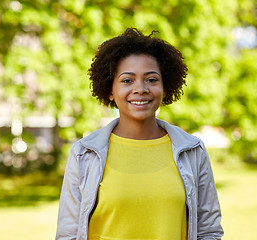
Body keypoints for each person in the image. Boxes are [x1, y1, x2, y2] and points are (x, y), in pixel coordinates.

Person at [56, 28, 223, 240]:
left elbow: (208, 231)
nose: (140, 88)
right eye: (127, 80)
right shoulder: (84, 153)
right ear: (110, 89)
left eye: (151, 79)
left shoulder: (192, 151)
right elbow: (68, 234)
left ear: (165, 86)